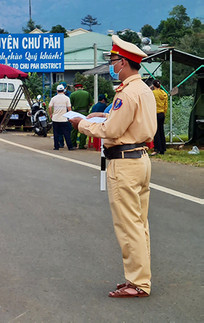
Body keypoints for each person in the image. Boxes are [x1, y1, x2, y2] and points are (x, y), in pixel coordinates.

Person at [70, 35, 156, 298]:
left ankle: (138, 283)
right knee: (139, 223)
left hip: (124, 163)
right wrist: (103, 115)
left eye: (114, 61)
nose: (112, 66)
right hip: (140, 158)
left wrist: (82, 124)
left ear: (125, 63)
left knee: (128, 224)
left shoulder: (127, 93)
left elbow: (112, 130)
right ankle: (140, 278)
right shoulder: (142, 89)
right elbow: (127, 122)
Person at [48, 84, 74, 150]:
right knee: (66, 133)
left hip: (55, 119)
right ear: (64, 90)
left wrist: (51, 114)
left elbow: (49, 107)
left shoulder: (53, 98)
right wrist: (70, 117)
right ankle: (70, 147)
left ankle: (56, 147)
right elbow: (69, 108)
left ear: (57, 91)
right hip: (64, 119)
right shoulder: (67, 98)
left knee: (56, 133)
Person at [70, 83, 91, 149]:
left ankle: (73, 144)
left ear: (75, 88)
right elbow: (91, 103)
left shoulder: (73, 94)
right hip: (84, 113)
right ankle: (82, 145)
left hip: (75, 113)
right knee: (83, 129)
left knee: (74, 129)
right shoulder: (87, 93)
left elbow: (70, 104)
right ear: (82, 87)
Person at [151, 81, 168, 155]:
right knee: (161, 130)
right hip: (162, 113)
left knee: (156, 131)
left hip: (155, 113)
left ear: (153, 85)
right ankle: (163, 148)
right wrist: (164, 112)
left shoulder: (153, 93)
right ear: (160, 85)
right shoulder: (164, 93)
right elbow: (166, 105)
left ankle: (157, 148)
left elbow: (150, 103)